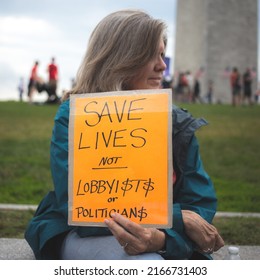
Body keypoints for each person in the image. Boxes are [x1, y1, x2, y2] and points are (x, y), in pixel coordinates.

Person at [25, 9, 224, 260]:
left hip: (168, 241)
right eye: (151, 55)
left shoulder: (177, 122)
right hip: (92, 236)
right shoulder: (75, 116)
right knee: (145, 264)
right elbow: (83, 209)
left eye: (162, 54)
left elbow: (199, 204)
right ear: (121, 58)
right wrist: (177, 218)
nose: (162, 65)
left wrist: (161, 239)